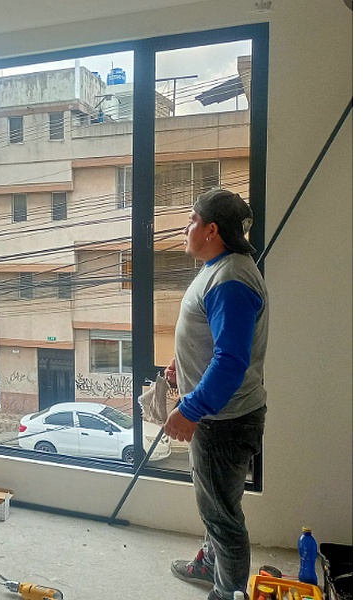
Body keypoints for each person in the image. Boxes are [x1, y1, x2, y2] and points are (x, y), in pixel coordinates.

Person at [164, 189, 268, 600]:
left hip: (223, 421)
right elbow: (212, 337)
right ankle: (210, 565)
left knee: (222, 517)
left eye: (191, 220)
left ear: (211, 229)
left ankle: (228, 592)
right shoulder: (221, 267)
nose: (185, 228)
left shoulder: (230, 279)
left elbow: (230, 361)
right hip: (221, 416)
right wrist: (181, 363)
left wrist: (190, 408)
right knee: (215, 504)